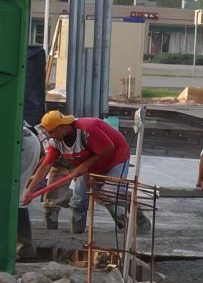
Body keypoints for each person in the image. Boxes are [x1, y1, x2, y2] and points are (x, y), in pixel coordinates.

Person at [22, 111, 150, 236]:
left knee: (110, 193)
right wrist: (30, 191)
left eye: (52, 132)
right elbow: (45, 166)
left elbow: (109, 148)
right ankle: (125, 220)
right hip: (92, 160)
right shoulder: (55, 142)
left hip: (116, 157)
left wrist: (85, 165)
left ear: (61, 127)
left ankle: (132, 218)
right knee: (97, 194)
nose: (50, 136)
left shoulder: (86, 129)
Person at [17, 123, 43, 260]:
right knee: (16, 196)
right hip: (27, 139)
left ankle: (24, 247)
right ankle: (25, 247)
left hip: (20, 141)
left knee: (12, 196)